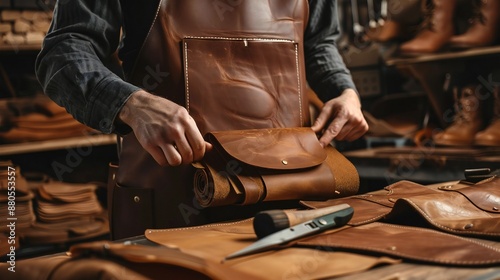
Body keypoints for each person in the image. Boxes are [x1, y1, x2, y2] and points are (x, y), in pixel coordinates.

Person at [36, 0, 369, 239]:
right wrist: (131, 103)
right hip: (171, 209)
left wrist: (345, 91)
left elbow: (319, 42)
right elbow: (64, 50)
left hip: (290, 203)